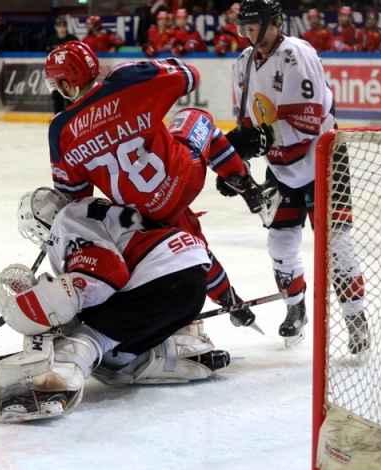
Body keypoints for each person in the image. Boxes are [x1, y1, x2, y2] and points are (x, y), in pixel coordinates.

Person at [45, 41, 268, 333]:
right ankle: (245, 183)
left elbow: (75, 200)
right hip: (184, 177)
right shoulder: (126, 80)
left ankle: (228, 298)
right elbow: (191, 75)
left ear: (64, 82)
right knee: (196, 118)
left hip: (146, 212)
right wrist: (133, 72)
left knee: (188, 244)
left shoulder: (60, 129)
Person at [0, 189, 230, 420]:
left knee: (88, 337)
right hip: (191, 283)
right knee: (114, 361)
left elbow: (106, 274)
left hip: (158, 279)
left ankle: (47, 386)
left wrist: (45, 302)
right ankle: (164, 352)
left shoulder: (68, 221)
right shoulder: (97, 209)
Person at [225, 0, 368, 352]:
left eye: (255, 25)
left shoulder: (295, 54)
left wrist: (258, 139)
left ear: (274, 23)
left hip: (322, 158)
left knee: (337, 244)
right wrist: (233, 167)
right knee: (280, 241)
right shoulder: (242, 63)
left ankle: (355, 317)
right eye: (244, 26)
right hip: (280, 165)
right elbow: (246, 128)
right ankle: (295, 310)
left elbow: (304, 123)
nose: (248, 33)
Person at [46, 17, 78, 115]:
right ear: (56, 27)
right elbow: (49, 57)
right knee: (57, 96)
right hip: (56, 73)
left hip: (70, 73)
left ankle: (72, 116)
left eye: (63, 26)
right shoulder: (52, 40)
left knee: (71, 96)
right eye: (59, 26)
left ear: (66, 27)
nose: (61, 28)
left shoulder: (72, 39)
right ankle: (58, 117)